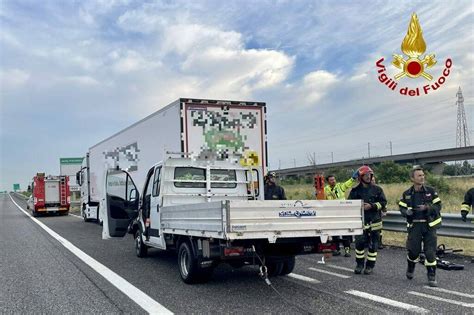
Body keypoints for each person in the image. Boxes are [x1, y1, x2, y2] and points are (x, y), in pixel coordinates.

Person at [398, 166, 442, 287]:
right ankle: (410, 267)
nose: (422, 177)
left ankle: (431, 275)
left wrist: (427, 207)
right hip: (415, 226)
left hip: (429, 226)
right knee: (414, 252)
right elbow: (401, 207)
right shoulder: (407, 194)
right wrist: (405, 212)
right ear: (412, 178)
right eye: (419, 175)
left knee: (430, 252)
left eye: (423, 175)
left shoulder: (431, 191)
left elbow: (438, 206)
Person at [349, 166, 387, 275]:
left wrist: (372, 206)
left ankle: (370, 266)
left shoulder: (378, 189)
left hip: (375, 222)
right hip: (361, 222)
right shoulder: (355, 191)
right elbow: (350, 204)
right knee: (359, 245)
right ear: (361, 177)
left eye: (369, 175)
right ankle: (359, 264)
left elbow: (383, 203)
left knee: (373, 246)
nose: (368, 177)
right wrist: (359, 207)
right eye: (365, 175)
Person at [324, 170, 359, 257]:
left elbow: (348, 184)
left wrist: (353, 178)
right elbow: (321, 200)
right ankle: (336, 249)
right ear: (328, 182)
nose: (333, 181)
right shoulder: (325, 190)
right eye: (331, 180)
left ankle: (347, 250)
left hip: (342, 213)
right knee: (334, 233)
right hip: (332, 214)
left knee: (345, 232)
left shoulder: (340, 186)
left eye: (334, 179)